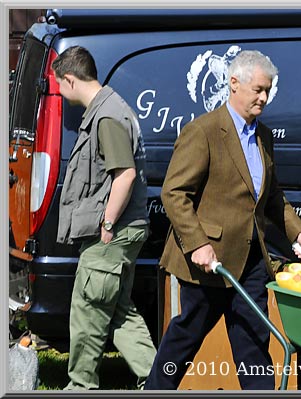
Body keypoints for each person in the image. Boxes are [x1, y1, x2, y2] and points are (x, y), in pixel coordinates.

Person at [144, 50, 301, 390]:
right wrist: (198, 244)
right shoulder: (204, 131)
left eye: (268, 90)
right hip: (208, 264)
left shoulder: (264, 136)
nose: (264, 98)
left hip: (251, 263)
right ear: (233, 84)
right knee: (183, 341)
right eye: (258, 90)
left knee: (254, 344)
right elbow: (174, 193)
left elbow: (271, 198)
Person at [53, 46, 156, 390]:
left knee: (87, 313)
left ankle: (80, 387)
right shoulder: (109, 109)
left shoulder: (107, 115)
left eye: (59, 86)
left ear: (69, 79)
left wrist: (107, 224)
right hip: (126, 232)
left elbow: (124, 174)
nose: (61, 94)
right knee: (118, 312)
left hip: (112, 234)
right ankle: (160, 382)